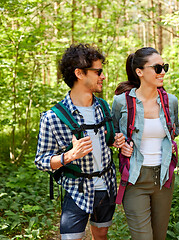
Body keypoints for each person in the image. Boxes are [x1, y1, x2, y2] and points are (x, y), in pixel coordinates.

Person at [35, 43, 125, 240]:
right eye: (98, 71)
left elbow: (105, 140)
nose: (103, 76)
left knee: (101, 235)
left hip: (106, 186)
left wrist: (115, 140)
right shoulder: (53, 117)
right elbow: (41, 160)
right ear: (79, 73)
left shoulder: (102, 106)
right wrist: (69, 156)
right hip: (76, 190)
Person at [112, 47, 179, 240]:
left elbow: (173, 132)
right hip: (135, 179)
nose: (163, 72)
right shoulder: (121, 102)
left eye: (164, 67)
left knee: (159, 237)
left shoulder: (170, 102)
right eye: (157, 68)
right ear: (139, 72)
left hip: (164, 178)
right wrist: (119, 142)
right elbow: (114, 132)